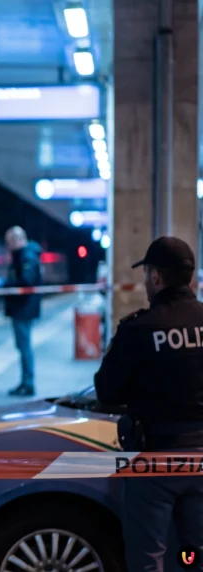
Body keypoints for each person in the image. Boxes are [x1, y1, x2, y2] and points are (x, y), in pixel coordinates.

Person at [94, 236, 203, 572]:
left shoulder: (139, 329)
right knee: (195, 554)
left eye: (147, 275)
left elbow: (107, 393)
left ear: (156, 277)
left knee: (147, 559)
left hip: (155, 462)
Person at [2, 226, 42, 396]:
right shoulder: (25, 255)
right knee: (23, 346)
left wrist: (5, 285)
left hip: (23, 308)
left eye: (9, 243)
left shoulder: (27, 256)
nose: (8, 247)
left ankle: (28, 383)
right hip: (22, 308)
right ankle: (25, 382)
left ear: (17, 240)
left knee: (24, 347)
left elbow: (26, 281)